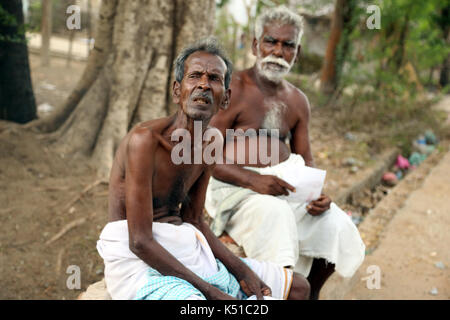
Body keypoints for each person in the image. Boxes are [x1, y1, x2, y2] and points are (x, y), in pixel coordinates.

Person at [96, 37, 310, 300]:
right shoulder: (145, 141)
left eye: (214, 79)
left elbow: (194, 219)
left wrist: (242, 270)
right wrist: (212, 294)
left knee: (299, 288)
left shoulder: (211, 140)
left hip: (184, 247)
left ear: (226, 98)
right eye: (194, 76)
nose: (203, 85)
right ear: (177, 91)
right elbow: (139, 241)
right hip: (137, 262)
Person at [205, 7, 365, 300]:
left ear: (297, 52)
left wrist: (317, 194)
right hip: (234, 188)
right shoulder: (232, 89)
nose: (278, 51)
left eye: (287, 45)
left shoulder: (297, 100)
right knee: (275, 215)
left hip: (283, 188)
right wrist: (253, 180)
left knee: (335, 223)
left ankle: (309, 295)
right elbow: (205, 154)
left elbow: (306, 159)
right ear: (256, 45)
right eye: (271, 42)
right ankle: (278, 293)